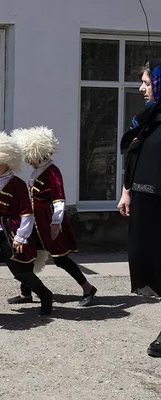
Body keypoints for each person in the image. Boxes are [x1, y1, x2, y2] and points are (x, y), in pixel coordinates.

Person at [0, 130, 53, 320]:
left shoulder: (18, 184)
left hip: (11, 234)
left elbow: (27, 213)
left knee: (20, 272)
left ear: (8, 160)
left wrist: (22, 236)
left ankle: (46, 295)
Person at [7, 126, 97, 307]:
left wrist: (56, 222)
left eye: (28, 155)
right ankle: (26, 293)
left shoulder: (52, 171)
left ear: (38, 152)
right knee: (27, 254)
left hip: (48, 221)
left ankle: (88, 288)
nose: (27, 160)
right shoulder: (38, 169)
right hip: (34, 220)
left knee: (60, 259)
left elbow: (59, 199)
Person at [118, 60, 161, 357]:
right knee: (151, 266)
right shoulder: (149, 118)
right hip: (146, 205)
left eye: (146, 82)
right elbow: (132, 155)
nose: (141, 88)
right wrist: (126, 191)